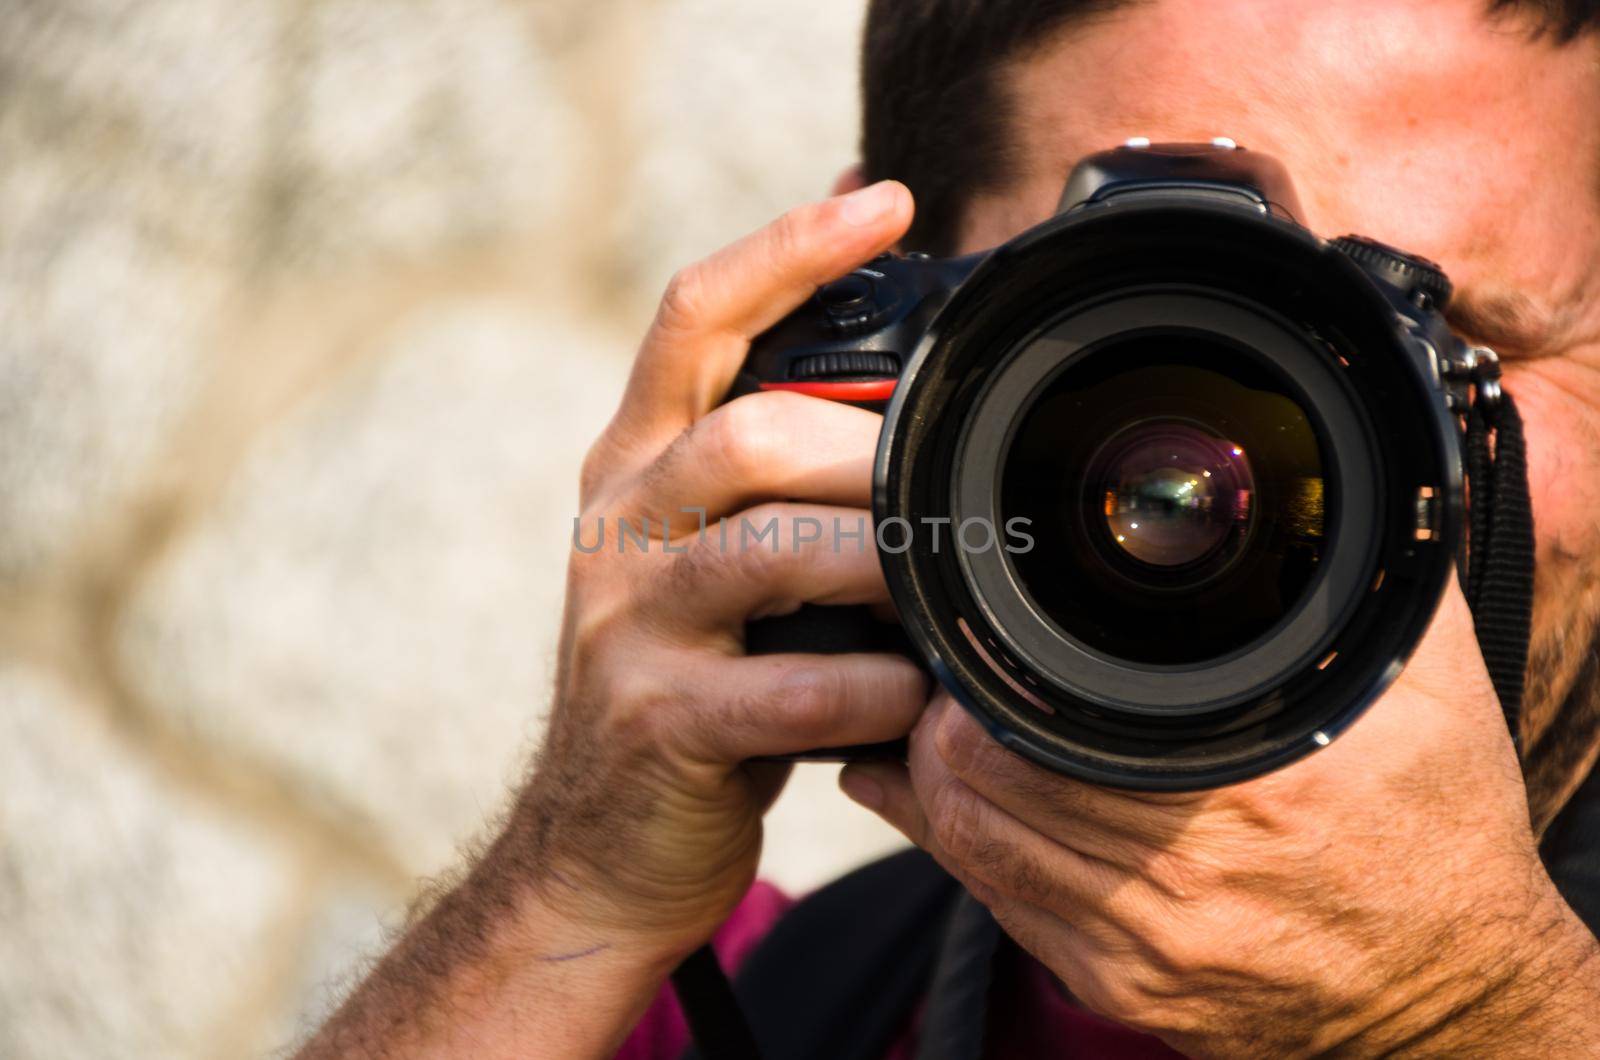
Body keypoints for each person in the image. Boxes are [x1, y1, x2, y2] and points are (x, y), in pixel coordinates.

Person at [298, 1, 1600, 1056]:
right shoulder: (781, 1000)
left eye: (1450, 339)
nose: (1307, 451)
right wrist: (569, 886)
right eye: (1147, 337)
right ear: (874, 337)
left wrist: (1466, 1011)